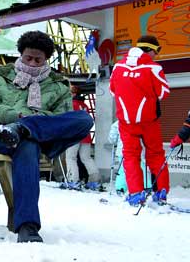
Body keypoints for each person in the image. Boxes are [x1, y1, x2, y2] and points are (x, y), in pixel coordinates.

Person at [0, 30, 93, 243]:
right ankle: (27, 226)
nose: (33, 62)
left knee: (84, 120)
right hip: (2, 135)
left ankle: (24, 128)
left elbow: (62, 118)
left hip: (44, 138)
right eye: (28, 57)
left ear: (46, 59)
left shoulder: (58, 85)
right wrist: (14, 117)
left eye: (38, 59)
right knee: (27, 146)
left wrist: (28, 122)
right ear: (20, 54)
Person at [110, 35, 170, 206]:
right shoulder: (154, 68)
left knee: (130, 156)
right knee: (156, 154)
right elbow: (163, 93)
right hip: (149, 120)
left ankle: (136, 193)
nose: (156, 56)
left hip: (126, 121)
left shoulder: (117, 67)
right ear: (150, 50)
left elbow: (113, 90)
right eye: (156, 52)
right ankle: (161, 191)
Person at [64, 86, 100, 190]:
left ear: (73, 94)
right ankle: (95, 181)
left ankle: (73, 180)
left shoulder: (71, 104)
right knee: (86, 158)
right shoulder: (84, 105)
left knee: (71, 158)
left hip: (74, 135)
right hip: (86, 135)